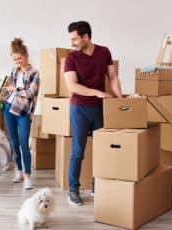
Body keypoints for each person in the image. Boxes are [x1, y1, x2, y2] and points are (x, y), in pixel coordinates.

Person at [64, 21, 122, 205]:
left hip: (99, 109)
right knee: (78, 151)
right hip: (79, 108)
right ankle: (73, 189)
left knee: (103, 148)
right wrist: (97, 92)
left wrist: (120, 98)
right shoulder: (71, 57)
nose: (72, 42)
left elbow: (112, 77)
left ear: (86, 37)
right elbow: (72, 86)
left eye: (74, 39)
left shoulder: (104, 52)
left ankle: (98, 185)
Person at [3, 37, 40, 190]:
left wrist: (15, 90)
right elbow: (10, 86)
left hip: (24, 112)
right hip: (9, 109)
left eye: (20, 58)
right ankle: (18, 170)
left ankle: (27, 177)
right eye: (15, 59)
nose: (18, 61)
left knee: (24, 144)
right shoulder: (14, 70)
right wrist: (9, 90)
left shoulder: (34, 73)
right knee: (14, 142)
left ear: (26, 56)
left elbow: (31, 93)